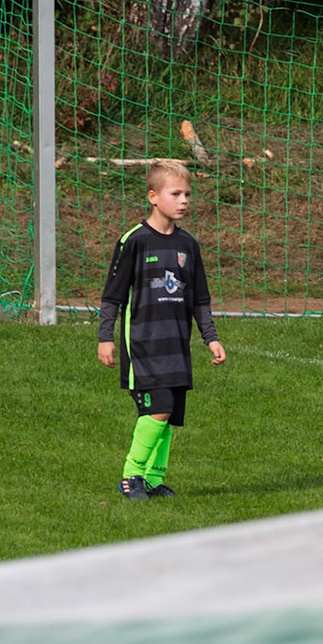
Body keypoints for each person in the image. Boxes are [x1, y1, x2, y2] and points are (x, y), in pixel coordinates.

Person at [96, 162, 227, 499]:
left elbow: (200, 299)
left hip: (176, 346)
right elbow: (112, 296)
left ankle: (153, 479)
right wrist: (105, 338)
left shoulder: (188, 245)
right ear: (153, 197)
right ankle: (131, 475)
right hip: (144, 344)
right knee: (159, 407)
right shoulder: (134, 241)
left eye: (187, 194)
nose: (184, 200)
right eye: (175, 194)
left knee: (170, 414)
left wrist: (211, 338)